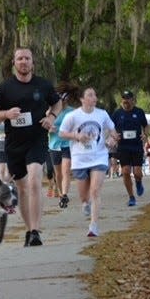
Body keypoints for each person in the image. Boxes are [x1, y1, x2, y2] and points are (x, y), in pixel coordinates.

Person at [0, 47, 61, 247]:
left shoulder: (43, 84)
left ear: (32, 62)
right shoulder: (4, 88)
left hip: (37, 139)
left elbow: (57, 104)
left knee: (35, 180)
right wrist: (6, 114)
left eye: (27, 58)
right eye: (20, 58)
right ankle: (29, 230)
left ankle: (36, 230)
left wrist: (51, 117)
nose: (24, 62)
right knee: (22, 189)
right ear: (14, 63)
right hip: (14, 144)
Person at [59, 87, 118, 237]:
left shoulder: (102, 114)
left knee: (95, 191)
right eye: (90, 95)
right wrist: (76, 136)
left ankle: (93, 226)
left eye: (95, 94)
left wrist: (112, 139)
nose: (94, 97)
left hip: (99, 156)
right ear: (82, 99)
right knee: (84, 196)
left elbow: (113, 131)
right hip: (79, 159)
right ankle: (85, 204)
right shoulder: (73, 116)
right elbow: (61, 133)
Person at [110, 90, 148, 207]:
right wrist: (114, 136)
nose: (125, 101)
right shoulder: (117, 114)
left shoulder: (139, 112)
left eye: (128, 98)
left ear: (132, 100)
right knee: (125, 172)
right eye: (123, 99)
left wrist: (145, 135)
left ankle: (138, 182)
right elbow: (111, 127)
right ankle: (131, 197)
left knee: (137, 172)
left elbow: (145, 126)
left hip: (136, 146)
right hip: (123, 146)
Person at [47, 82, 80, 208]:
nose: (63, 101)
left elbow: (77, 129)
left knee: (66, 170)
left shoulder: (72, 112)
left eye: (65, 99)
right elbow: (45, 125)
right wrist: (49, 129)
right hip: (54, 145)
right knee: (58, 173)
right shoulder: (50, 112)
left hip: (68, 144)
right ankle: (61, 194)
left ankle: (65, 194)